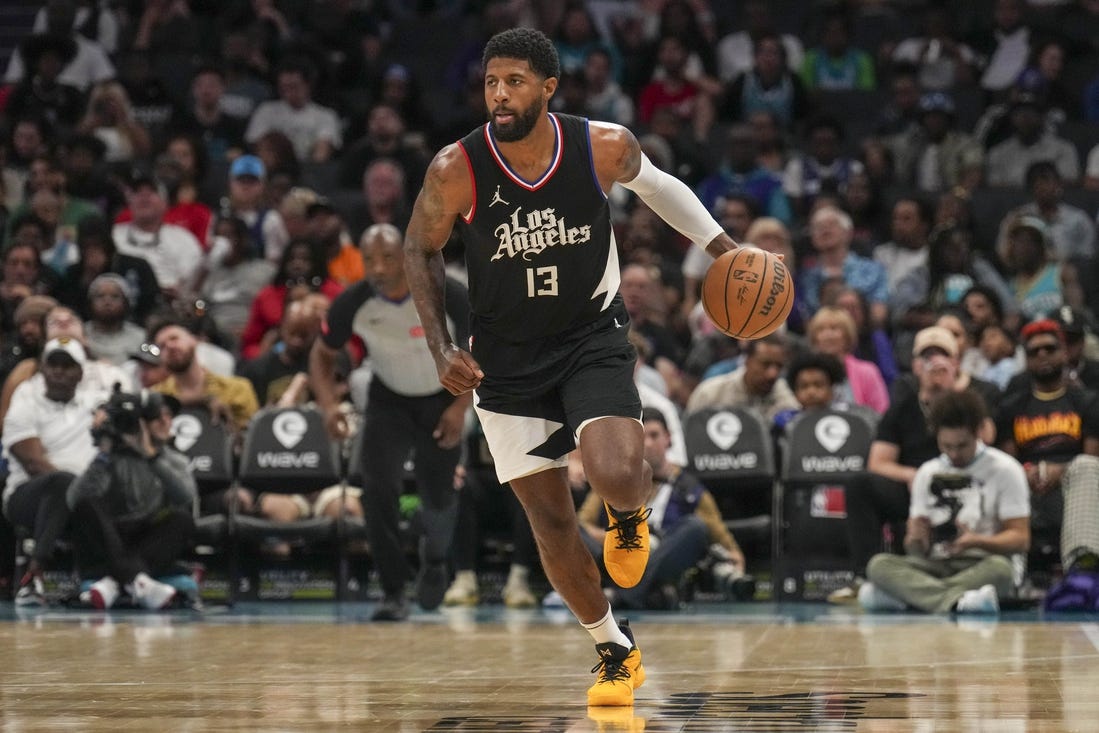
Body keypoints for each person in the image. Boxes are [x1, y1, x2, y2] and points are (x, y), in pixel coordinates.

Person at [401, 28, 736, 707]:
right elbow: (418, 247)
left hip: (590, 335)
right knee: (550, 522)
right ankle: (615, 649)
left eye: (515, 81)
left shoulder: (601, 145)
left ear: (548, 87)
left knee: (614, 470)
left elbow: (659, 187)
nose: (499, 93)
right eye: (492, 81)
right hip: (503, 360)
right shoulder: (455, 167)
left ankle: (627, 514)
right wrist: (439, 346)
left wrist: (724, 246)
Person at [311, 223, 471, 621]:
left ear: (405, 255)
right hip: (389, 401)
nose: (377, 268)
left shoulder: (445, 292)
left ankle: (434, 560)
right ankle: (393, 590)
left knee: (438, 495)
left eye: (386, 257)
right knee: (377, 491)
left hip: (442, 398)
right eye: (369, 260)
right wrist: (329, 405)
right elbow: (321, 354)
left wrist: (460, 406)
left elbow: (481, 347)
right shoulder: (354, 302)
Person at [859, 390, 1030, 614]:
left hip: (982, 561)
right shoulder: (927, 472)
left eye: (962, 446)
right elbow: (916, 551)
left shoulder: (1006, 469)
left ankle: (912, 599)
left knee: (1001, 571)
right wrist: (915, 538)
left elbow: (1021, 539)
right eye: (946, 446)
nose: (954, 454)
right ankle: (958, 602)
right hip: (936, 564)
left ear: (979, 432)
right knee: (878, 565)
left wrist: (975, 540)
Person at [576, 407, 746, 610]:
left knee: (695, 527)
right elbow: (583, 524)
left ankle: (621, 595)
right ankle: (644, 594)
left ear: (668, 438)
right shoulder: (614, 479)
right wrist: (625, 541)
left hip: (663, 562)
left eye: (654, 435)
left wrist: (734, 566)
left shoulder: (690, 489)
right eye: (641, 437)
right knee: (571, 529)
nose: (647, 443)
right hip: (617, 559)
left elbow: (729, 547)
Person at [67, 388, 196, 610]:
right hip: (111, 539)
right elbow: (74, 500)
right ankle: (139, 582)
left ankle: (113, 583)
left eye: (169, 416)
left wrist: (150, 456)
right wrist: (104, 452)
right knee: (86, 506)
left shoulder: (174, 461)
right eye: (158, 417)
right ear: (140, 423)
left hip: (147, 541)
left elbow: (185, 497)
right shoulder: (109, 459)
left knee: (181, 519)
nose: (167, 422)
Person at [3, 338, 105, 605]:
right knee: (61, 482)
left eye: (67, 365)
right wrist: (78, 490)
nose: (59, 371)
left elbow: (143, 410)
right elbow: (34, 465)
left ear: (81, 372)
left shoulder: (96, 403)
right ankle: (35, 572)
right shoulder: (25, 403)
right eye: (53, 364)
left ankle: (107, 581)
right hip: (27, 496)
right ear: (43, 369)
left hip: (84, 498)